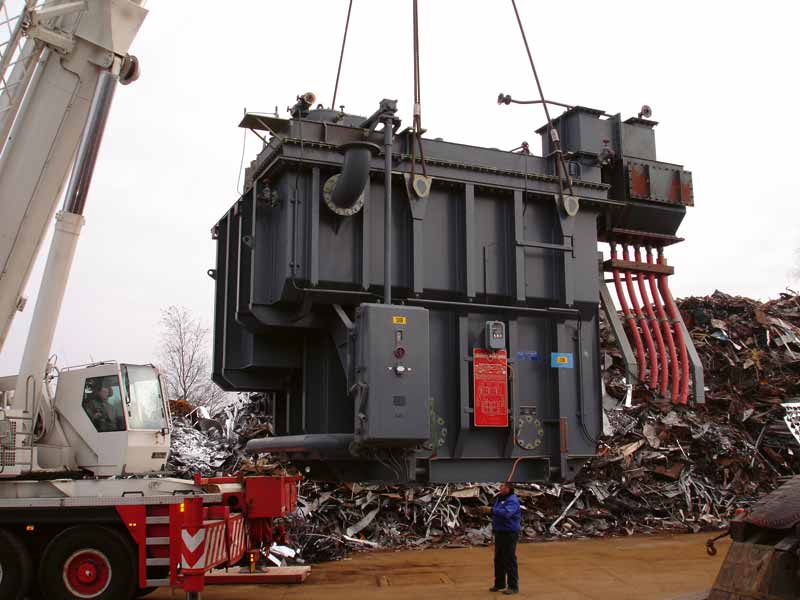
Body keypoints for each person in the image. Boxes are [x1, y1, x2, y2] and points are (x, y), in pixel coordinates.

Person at [486, 482, 521, 594]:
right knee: (499, 559)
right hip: (500, 532)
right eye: (500, 486)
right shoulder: (500, 498)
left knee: (509, 559)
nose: (500, 488)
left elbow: (507, 513)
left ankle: (513, 586)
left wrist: (491, 510)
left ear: (509, 488)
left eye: (503, 486)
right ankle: (499, 584)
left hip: (509, 533)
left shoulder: (512, 500)